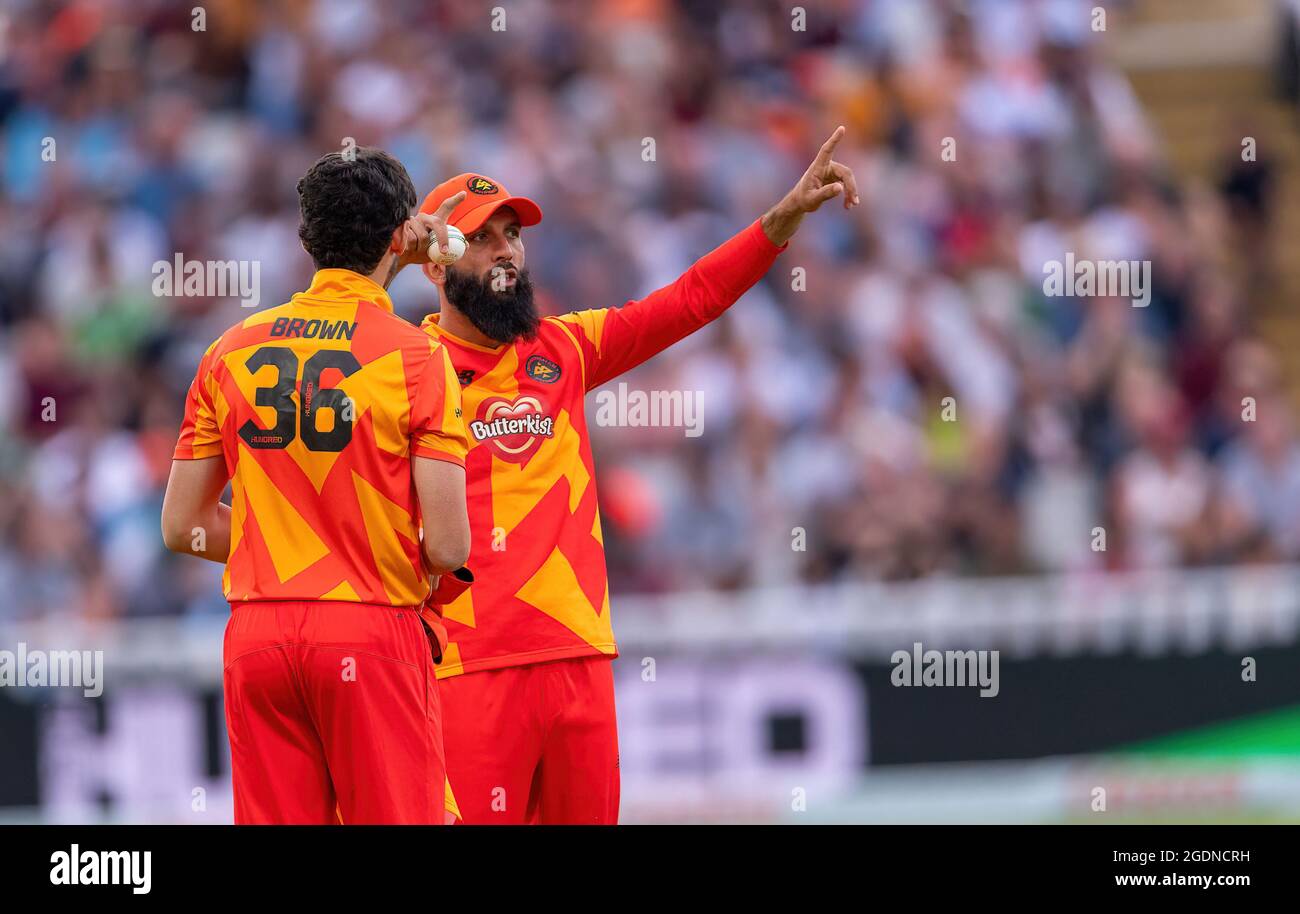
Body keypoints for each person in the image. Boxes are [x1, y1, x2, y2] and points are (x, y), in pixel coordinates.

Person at [413, 127, 860, 823]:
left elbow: (689, 301)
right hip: (468, 668)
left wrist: (782, 220)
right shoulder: (406, 371)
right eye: (480, 239)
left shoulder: (563, 348)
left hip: (579, 660)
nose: (505, 251)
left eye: (512, 234)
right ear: (436, 266)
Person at [160, 147, 471, 824]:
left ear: (306, 238)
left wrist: (281, 546)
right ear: (401, 236)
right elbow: (449, 545)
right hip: (371, 633)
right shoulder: (419, 359)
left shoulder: (228, 350)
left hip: (259, 640)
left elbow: (181, 525)